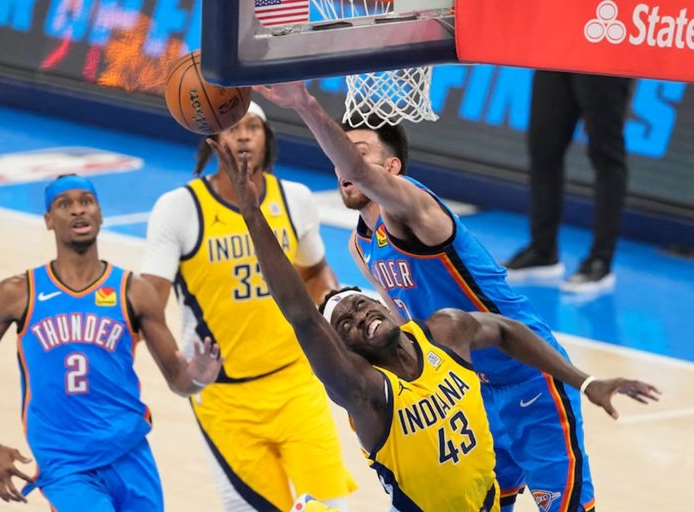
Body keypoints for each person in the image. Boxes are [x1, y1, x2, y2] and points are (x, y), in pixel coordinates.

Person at [211, 142, 659, 512]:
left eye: (362, 306)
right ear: (347, 351)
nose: (360, 315)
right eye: (346, 323)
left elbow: (508, 331)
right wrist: (252, 215)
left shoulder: (442, 335)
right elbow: (302, 316)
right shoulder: (366, 392)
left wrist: (587, 382)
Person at [254, 81, 605, 511]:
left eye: (356, 151)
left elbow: (363, 174)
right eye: (338, 155)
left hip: (527, 376)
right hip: (469, 389)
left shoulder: (413, 210)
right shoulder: (360, 245)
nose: (342, 163)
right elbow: (401, 326)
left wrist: (305, 104)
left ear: (393, 167)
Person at [0, 174, 223, 510]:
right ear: (48, 220)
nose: (78, 210)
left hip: (130, 452)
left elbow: (179, 382)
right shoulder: (18, 293)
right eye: (64, 204)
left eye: (86, 201)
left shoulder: (134, 291)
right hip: (65, 466)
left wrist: (197, 377)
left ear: (100, 214)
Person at [140, 102, 356, 511]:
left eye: (253, 127)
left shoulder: (295, 199)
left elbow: (315, 273)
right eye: (233, 127)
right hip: (224, 395)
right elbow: (148, 306)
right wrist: (178, 374)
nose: (242, 135)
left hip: (296, 384)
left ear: (267, 138)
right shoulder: (180, 208)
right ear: (214, 141)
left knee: (329, 508)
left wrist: (339, 315)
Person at [505, 71, 634, 293]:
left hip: (604, 51)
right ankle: (543, 251)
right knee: (543, 149)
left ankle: (600, 260)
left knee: (606, 155)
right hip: (557, 51)